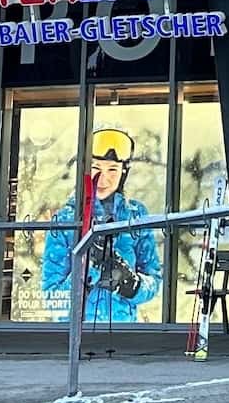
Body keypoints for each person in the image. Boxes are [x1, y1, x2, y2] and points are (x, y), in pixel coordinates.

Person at [41, 127, 163, 325]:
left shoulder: (135, 215)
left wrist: (132, 285)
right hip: (77, 330)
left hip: (123, 329)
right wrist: (89, 270)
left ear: (124, 172)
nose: (104, 178)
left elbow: (155, 280)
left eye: (112, 169)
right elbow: (51, 297)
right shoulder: (66, 219)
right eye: (96, 168)